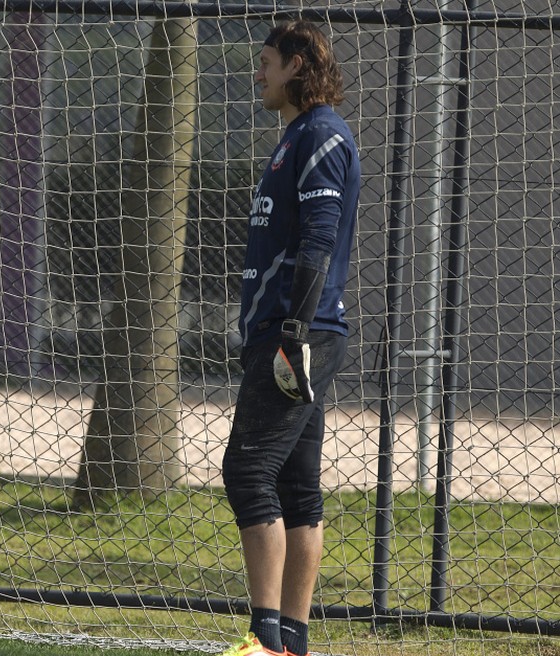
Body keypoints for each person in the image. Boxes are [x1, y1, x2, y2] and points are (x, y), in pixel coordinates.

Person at [220, 21, 360, 656]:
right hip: (286, 330)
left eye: (267, 62)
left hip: (298, 331)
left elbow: (319, 240)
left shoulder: (323, 134)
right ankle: (293, 644)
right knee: (296, 483)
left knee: (247, 471)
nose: (259, 74)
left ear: (297, 66)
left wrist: (294, 333)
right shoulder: (295, 136)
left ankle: (266, 639)